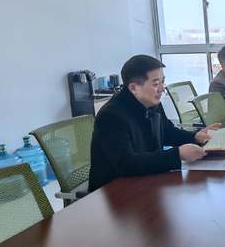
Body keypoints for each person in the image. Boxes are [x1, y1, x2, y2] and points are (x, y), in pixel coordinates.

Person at [89, 55, 216, 192]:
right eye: (156, 84)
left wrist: (195, 136)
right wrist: (177, 154)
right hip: (113, 191)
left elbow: (167, 131)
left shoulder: (152, 102)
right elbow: (126, 163)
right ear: (133, 88)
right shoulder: (111, 116)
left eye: (163, 82)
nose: (162, 89)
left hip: (147, 180)